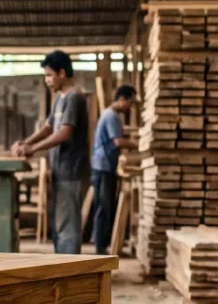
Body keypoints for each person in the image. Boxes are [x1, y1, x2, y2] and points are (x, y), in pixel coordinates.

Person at [12, 50, 89, 254]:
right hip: (60, 170)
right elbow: (48, 128)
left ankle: (69, 269)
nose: (46, 80)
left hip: (71, 171)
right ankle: (62, 265)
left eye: (49, 75)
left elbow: (64, 132)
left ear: (62, 73)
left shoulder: (74, 97)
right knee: (59, 225)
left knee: (67, 227)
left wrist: (33, 149)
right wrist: (25, 142)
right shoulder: (60, 99)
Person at [91, 85, 138, 255]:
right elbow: (118, 141)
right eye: (130, 103)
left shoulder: (109, 114)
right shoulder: (111, 116)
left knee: (105, 206)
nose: (130, 107)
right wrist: (139, 145)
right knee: (104, 207)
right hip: (103, 167)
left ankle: (104, 245)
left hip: (104, 166)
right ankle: (100, 249)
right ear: (122, 99)